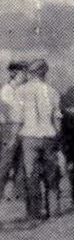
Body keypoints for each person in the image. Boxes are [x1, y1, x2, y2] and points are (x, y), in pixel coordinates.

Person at [15, 59, 62, 219]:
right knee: (51, 174)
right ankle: (53, 210)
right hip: (48, 136)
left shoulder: (21, 90)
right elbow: (57, 118)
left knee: (31, 175)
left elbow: (18, 117)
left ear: (30, 73)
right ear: (45, 73)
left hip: (28, 137)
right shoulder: (53, 91)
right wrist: (58, 138)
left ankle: (35, 212)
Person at [0, 62, 26, 201]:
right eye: (22, 73)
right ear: (13, 74)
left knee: (21, 163)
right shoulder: (6, 90)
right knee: (5, 162)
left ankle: (19, 193)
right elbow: (10, 113)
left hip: (22, 127)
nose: (25, 75)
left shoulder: (22, 89)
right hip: (9, 128)